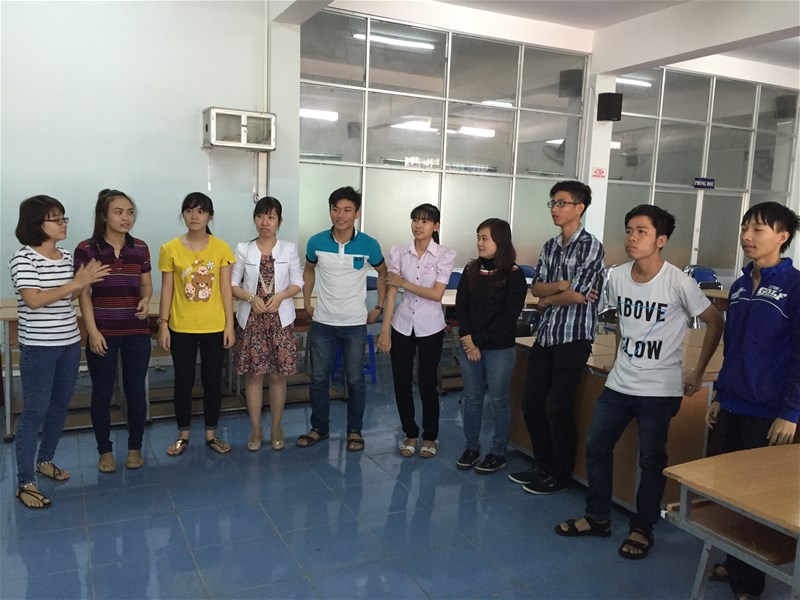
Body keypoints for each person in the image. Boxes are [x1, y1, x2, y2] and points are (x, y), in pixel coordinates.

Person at [555, 204, 724, 561]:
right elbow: (620, 319)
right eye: (629, 230)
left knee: (651, 459)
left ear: (661, 240)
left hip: (659, 390)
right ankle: (598, 517)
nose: (632, 237)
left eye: (642, 231)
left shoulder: (679, 282)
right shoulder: (617, 276)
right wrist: (620, 355)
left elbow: (714, 320)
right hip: (619, 384)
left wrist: (697, 372)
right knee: (596, 446)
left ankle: (642, 527)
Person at [705, 201, 799, 599]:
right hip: (733, 405)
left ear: (783, 236)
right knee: (729, 493)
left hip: (770, 413)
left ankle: (749, 585)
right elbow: (733, 346)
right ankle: (736, 561)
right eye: (745, 227)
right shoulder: (741, 286)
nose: (747, 235)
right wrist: (720, 395)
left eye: (758, 229)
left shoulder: (794, 286)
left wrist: (791, 412)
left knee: (758, 500)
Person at [9, 195, 109, 508]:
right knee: (35, 411)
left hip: (68, 343)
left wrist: (86, 283)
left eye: (64, 218)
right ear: (36, 224)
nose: (63, 224)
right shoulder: (23, 259)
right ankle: (25, 482)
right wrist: (76, 283)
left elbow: (71, 295)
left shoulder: (66, 257)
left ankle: (45, 461)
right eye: (56, 219)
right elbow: (34, 300)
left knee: (59, 406)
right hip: (39, 347)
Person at [511, 180, 605, 495]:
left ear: (579, 207)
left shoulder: (590, 246)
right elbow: (536, 287)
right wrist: (559, 288)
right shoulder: (550, 246)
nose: (555, 208)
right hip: (547, 333)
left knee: (559, 407)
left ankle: (560, 474)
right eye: (553, 203)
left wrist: (550, 297)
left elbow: (577, 295)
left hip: (574, 337)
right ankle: (542, 465)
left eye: (561, 203)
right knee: (532, 402)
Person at [298, 186, 387, 452]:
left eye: (347, 210)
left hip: (354, 324)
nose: (341, 215)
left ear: (356, 213)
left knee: (355, 380)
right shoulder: (316, 242)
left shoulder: (369, 244)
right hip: (323, 323)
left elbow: (384, 274)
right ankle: (319, 428)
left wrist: (379, 307)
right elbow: (309, 269)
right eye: (336, 209)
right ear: (330, 211)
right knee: (318, 379)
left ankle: (354, 431)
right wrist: (307, 301)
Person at [74, 189, 153, 473]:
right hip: (103, 332)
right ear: (104, 216)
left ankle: (135, 447)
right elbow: (84, 293)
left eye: (130, 212)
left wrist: (146, 300)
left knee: (135, 391)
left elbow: (146, 285)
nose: (126, 217)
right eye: (118, 212)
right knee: (102, 392)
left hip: (136, 332)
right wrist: (93, 332)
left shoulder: (140, 248)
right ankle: (104, 451)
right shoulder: (87, 249)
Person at [157, 192, 235, 455]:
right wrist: (163, 323)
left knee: (213, 381)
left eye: (201, 211)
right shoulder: (170, 248)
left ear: (209, 217)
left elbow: (226, 288)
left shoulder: (221, 248)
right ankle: (183, 434)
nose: (194, 216)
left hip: (214, 327)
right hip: (181, 327)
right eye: (189, 210)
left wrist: (229, 325)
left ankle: (211, 434)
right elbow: (167, 289)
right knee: (183, 382)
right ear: (183, 214)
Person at [377, 203, 457, 458]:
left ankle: (430, 437)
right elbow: (392, 292)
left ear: (436, 226)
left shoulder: (444, 254)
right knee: (401, 382)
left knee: (427, 383)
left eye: (425, 221)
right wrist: (385, 330)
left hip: (430, 326)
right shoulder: (399, 252)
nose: (418, 225)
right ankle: (410, 433)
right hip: (401, 325)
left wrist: (404, 283)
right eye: (415, 220)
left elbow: (436, 294)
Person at [455, 218, 527, 473]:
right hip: (470, 345)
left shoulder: (514, 275)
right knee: (472, 398)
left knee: (499, 400)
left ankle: (498, 452)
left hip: (499, 349)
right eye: (478, 237)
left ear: (500, 241)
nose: (479, 243)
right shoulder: (470, 270)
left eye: (485, 238)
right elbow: (461, 306)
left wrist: (476, 340)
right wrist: (468, 338)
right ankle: (471, 448)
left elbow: (508, 317)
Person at [231, 196, 303, 452]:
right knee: (254, 375)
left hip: (280, 320)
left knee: (277, 376)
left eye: (271, 217)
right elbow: (232, 284)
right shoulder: (243, 248)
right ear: (255, 219)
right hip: (252, 320)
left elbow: (298, 281)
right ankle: (255, 428)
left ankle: (276, 426)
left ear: (279, 221)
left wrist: (281, 296)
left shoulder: (288, 249)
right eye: (261, 216)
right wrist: (251, 298)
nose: (265, 222)